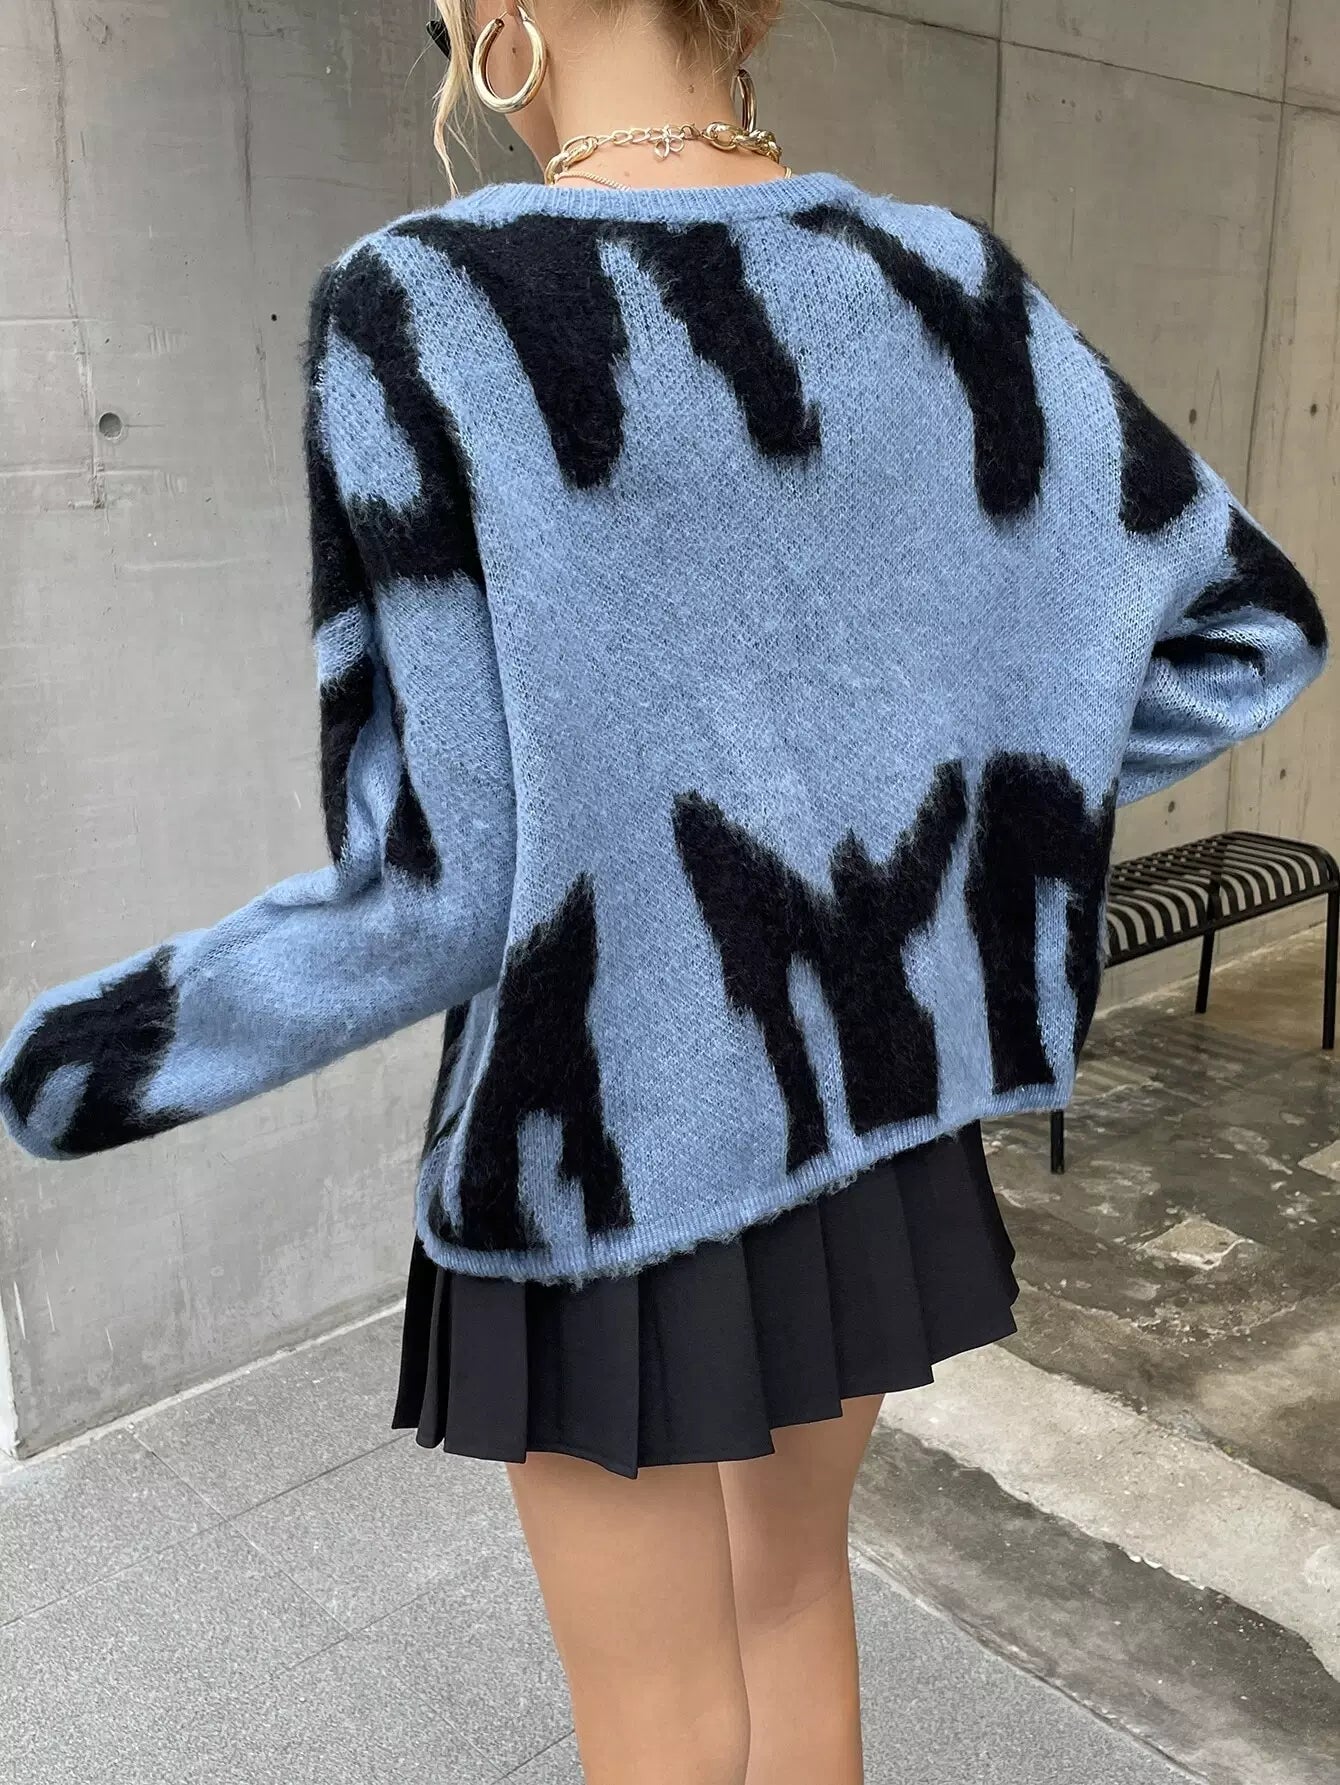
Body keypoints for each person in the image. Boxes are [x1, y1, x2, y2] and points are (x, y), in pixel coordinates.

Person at [0, 0, 1328, 1779]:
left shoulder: (428, 307)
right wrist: (950, 816)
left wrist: (91, 1054)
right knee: (793, 1611)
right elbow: (1251, 630)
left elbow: (440, 891)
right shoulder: (946, 282)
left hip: (598, 1139)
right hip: (869, 1120)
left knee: (661, 1719)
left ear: (506, 14)